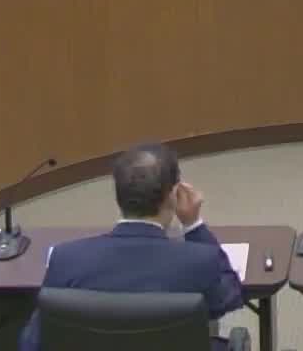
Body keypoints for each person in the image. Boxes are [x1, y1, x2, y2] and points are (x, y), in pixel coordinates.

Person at [21, 143, 242, 351]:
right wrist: (193, 226)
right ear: (173, 196)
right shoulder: (200, 261)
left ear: (119, 195)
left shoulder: (65, 258)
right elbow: (230, 297)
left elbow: (32, 342)